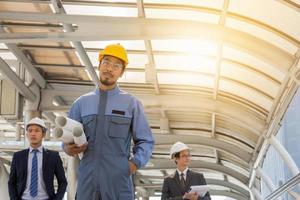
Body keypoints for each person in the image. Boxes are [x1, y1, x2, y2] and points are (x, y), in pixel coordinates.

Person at [63, 43, 154, 199]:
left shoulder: (131, 104)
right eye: (106, 62)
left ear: (121, 72)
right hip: (87, 180)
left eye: (116, 65)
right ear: (99, 65)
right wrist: (67, 148)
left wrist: (133, 164)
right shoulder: (81, 104)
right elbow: (67, 139)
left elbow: (146, 141)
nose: (109, 69)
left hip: (118, 182)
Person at [8, 117, 67, 200]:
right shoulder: (18, 156)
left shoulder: (53, 156)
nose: (33, 134)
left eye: (37, 130)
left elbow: (62, 182)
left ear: (43, 134)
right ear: (27, 134)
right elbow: (11, 182)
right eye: (30, 131)